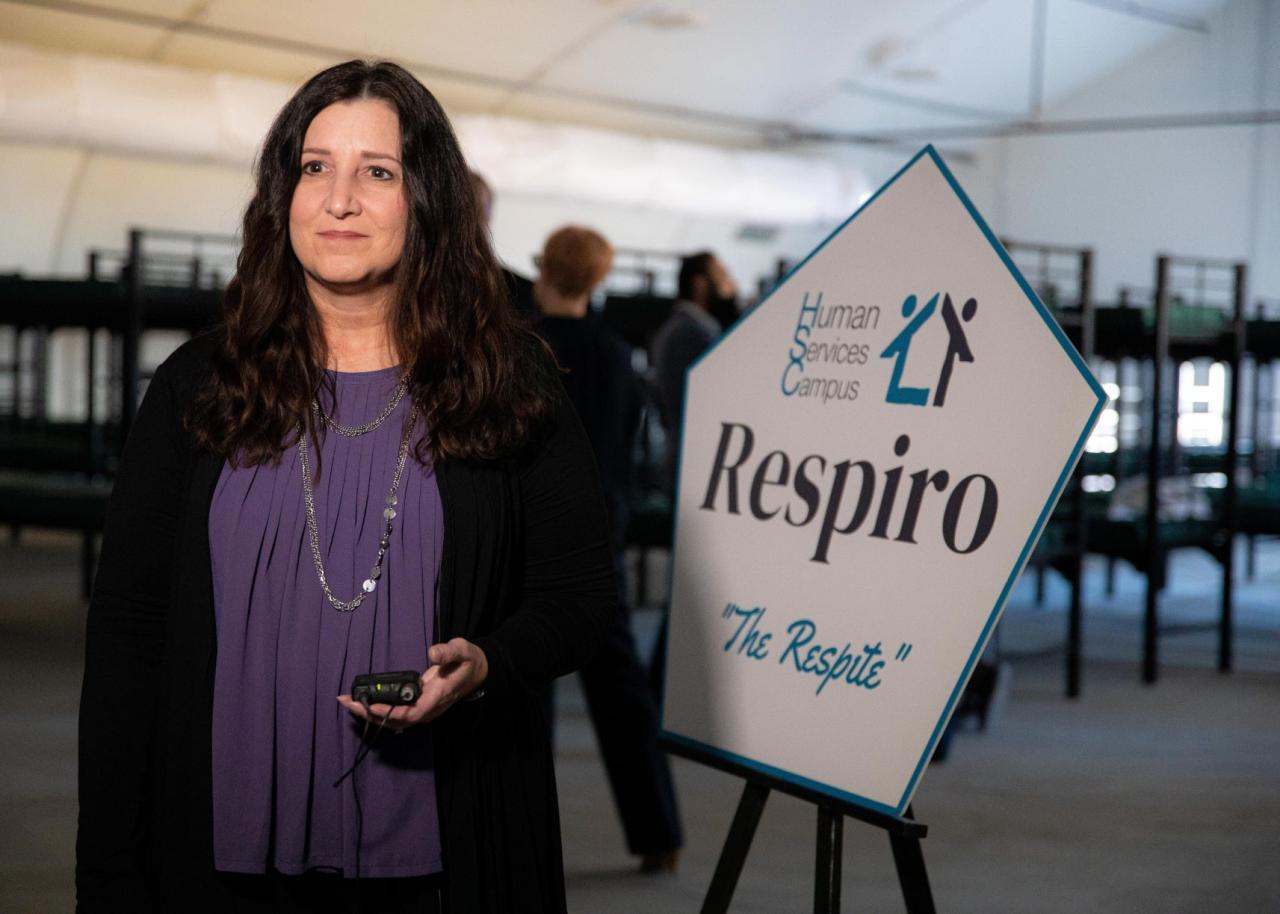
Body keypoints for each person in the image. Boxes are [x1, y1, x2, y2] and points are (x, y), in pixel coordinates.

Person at [75, 60, 615, 914]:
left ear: (427, 199)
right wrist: (107, 871)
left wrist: (489, 664)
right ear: (281, 196)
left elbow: (580, 598)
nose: (340, 199)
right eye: (314, 167)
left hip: (438, 861)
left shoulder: (509, 387)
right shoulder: (199, 387)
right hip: (214, 860)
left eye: (378, 172)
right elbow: (129, 639)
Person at [531, 226, 683, 873]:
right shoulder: (619, 354)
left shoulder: (520, 349)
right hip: (600, 541)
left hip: (530, 538)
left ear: (543, 271)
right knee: (622, 693)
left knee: (520, 691)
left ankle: (521, 843)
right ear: (596, 281)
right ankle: (660, 837)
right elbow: (625, 452)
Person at [649, 251, 738, 494]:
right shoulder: (691, 333)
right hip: (693, 461)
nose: (730, 285)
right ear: (700, 285)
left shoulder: (684, 328)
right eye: (722, 276)